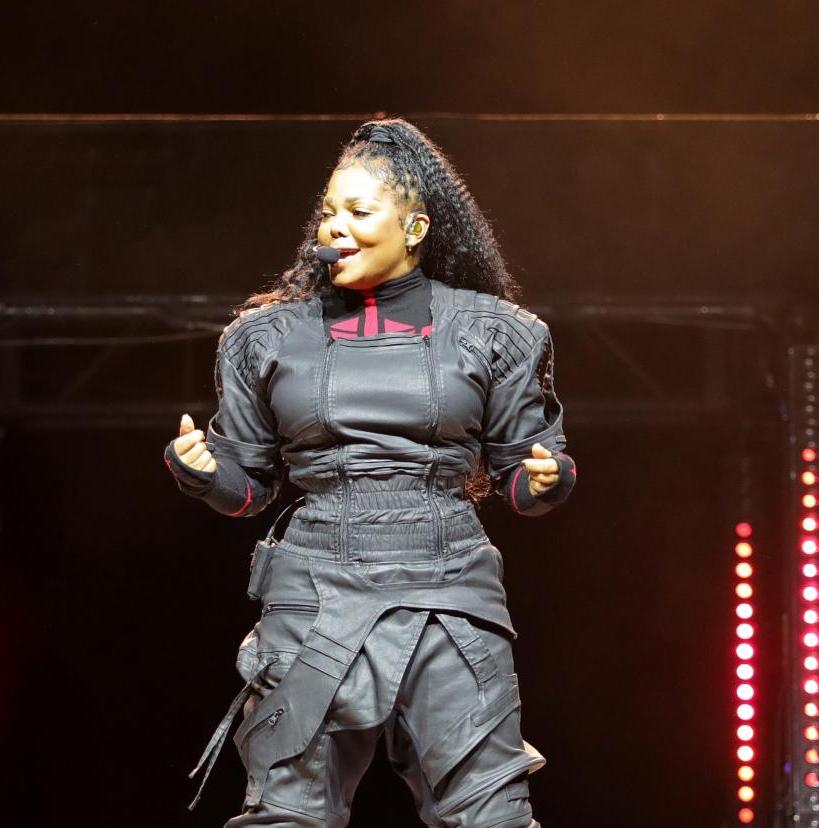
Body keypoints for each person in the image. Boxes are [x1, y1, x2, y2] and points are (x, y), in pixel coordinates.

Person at [165, 118, 576, 828]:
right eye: (329, 212)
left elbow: (521, 472)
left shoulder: (496, 331)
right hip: (315, 594)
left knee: (490, 818)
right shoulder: (265, 338)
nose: (336, 227)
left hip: (448, 590)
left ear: (414, 226)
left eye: (359, 211)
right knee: (286, 815)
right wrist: (200, 471)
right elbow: (251, 488)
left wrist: (545, 480)